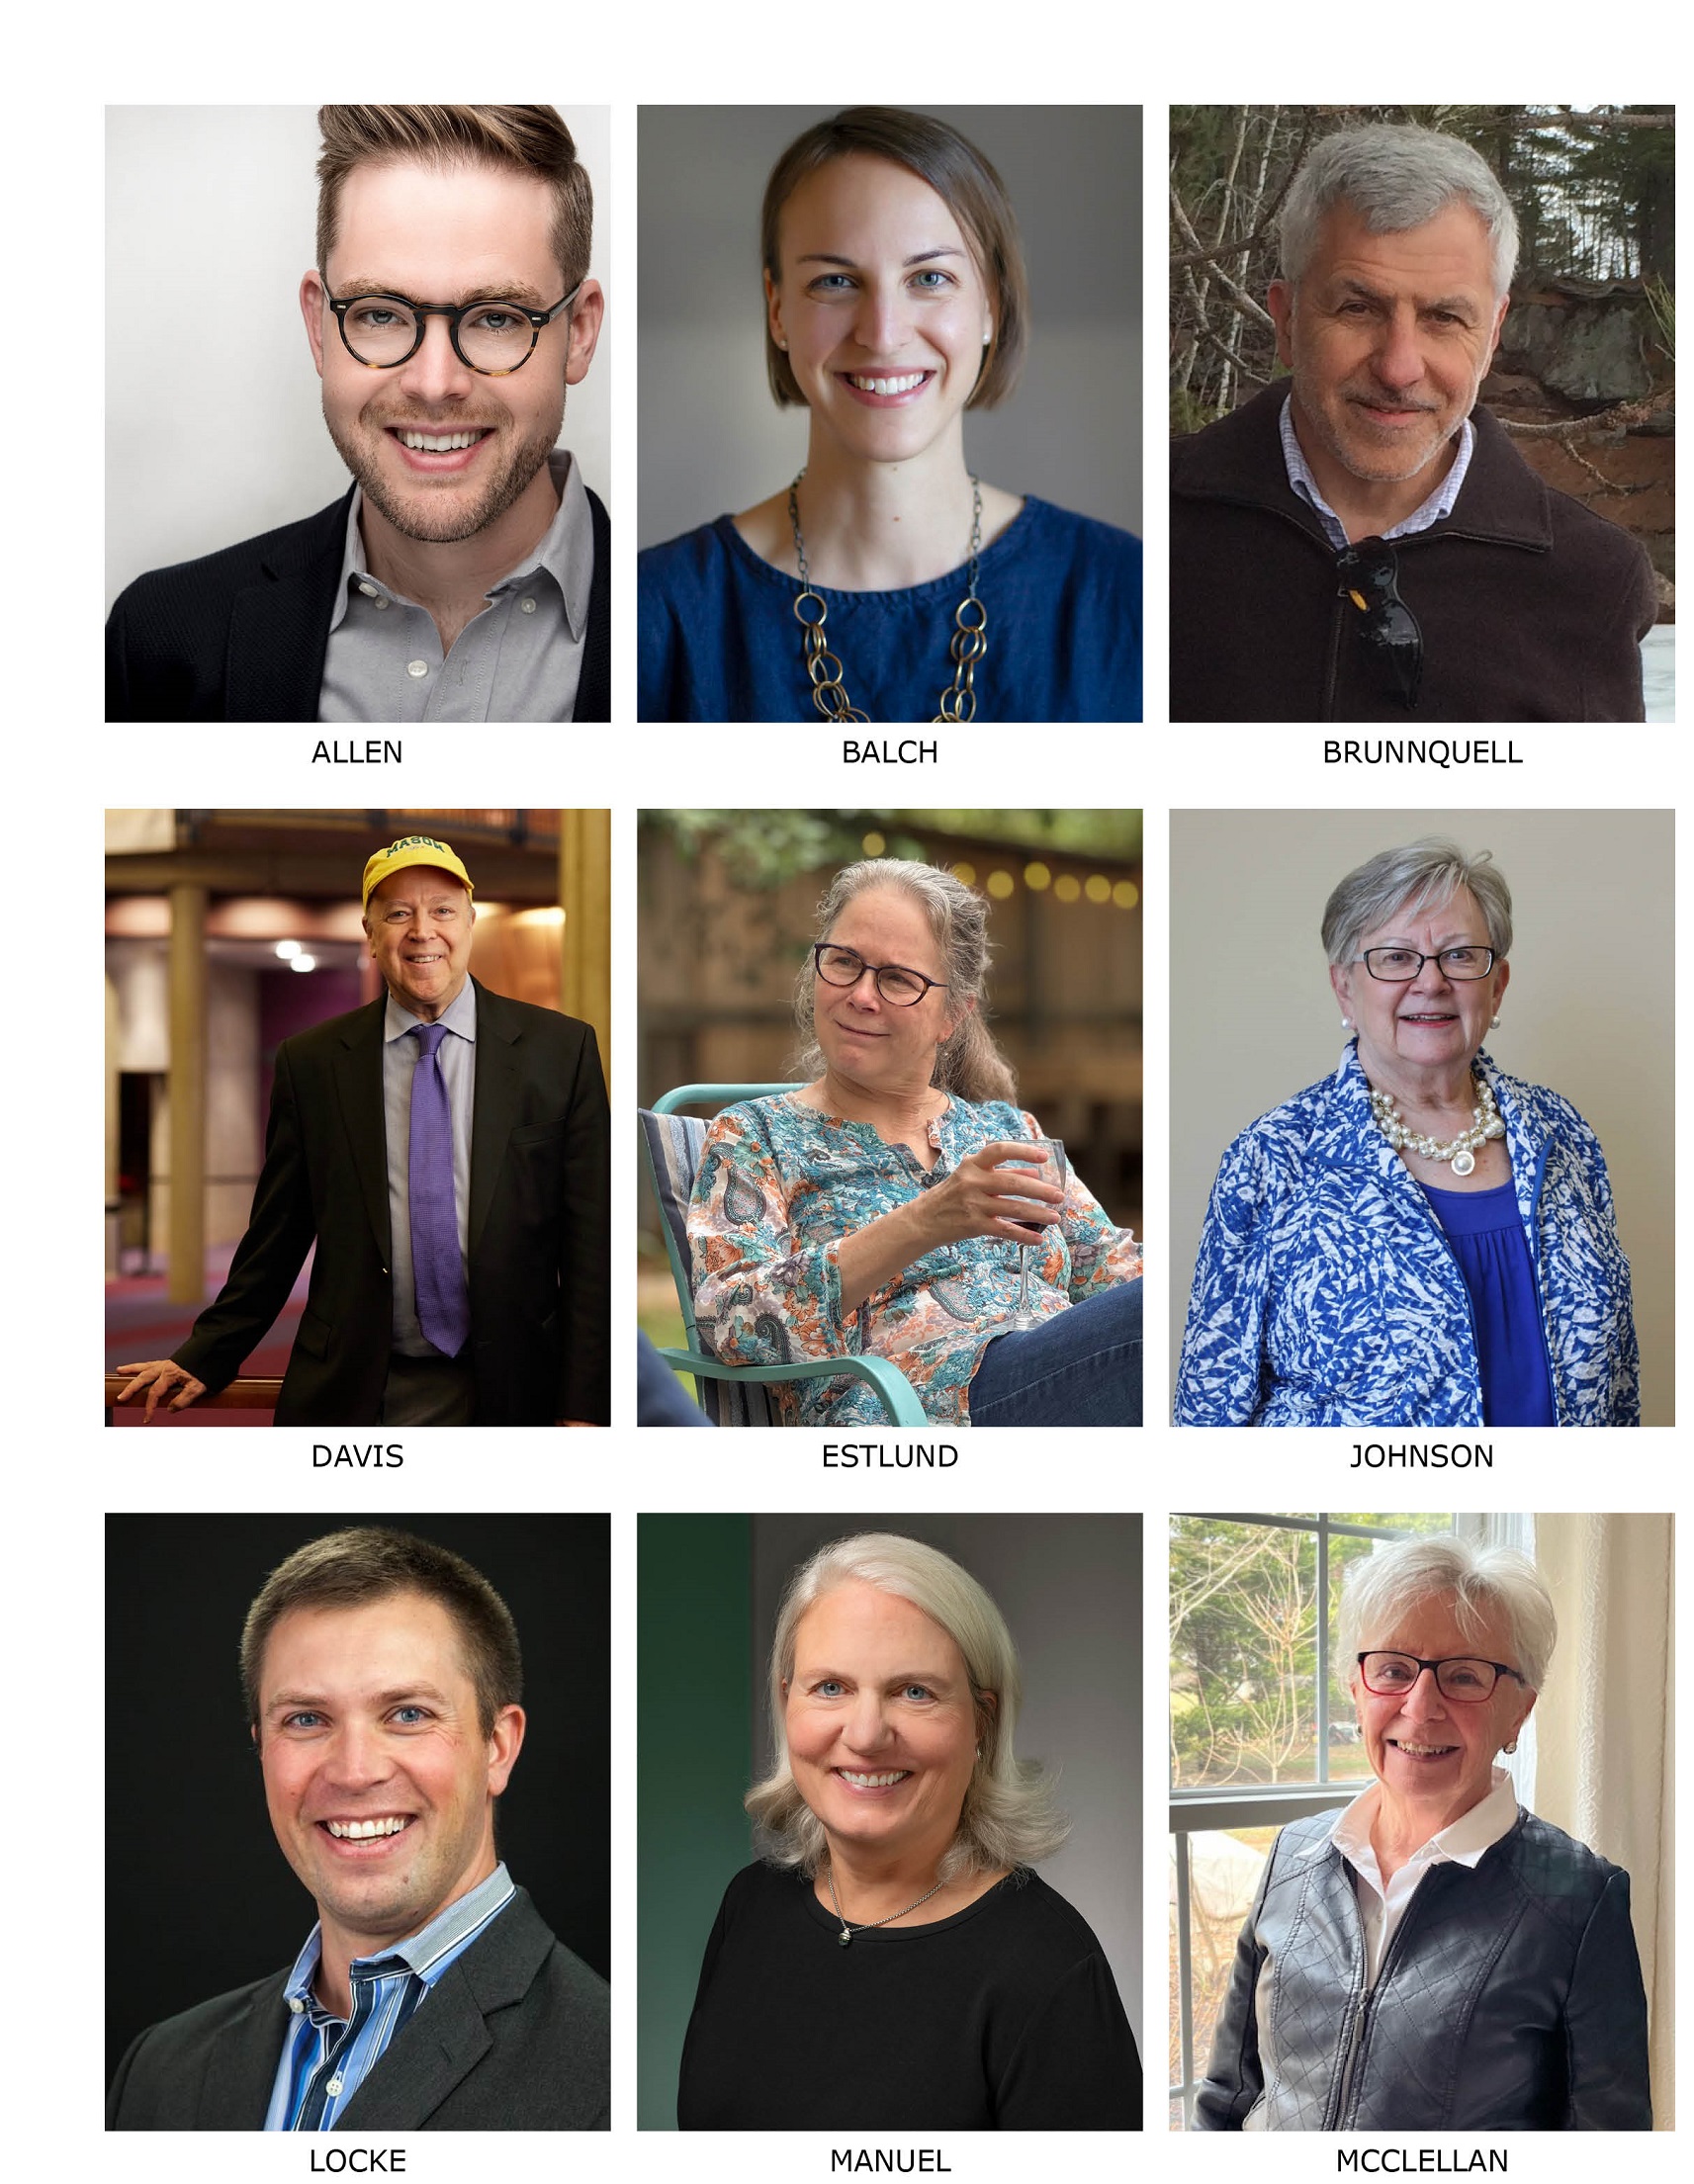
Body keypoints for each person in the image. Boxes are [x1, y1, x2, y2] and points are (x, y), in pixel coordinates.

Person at [107, 106, 610, 722]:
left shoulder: (675, 631)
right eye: (379, 314)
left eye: (498, 318)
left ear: (580, 333)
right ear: (320, 328)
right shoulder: (158, 644)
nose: (434, 384)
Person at [639, 107, 1140, 722]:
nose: (883, 334)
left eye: (929, 277)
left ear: (991, 306)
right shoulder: (652, 614)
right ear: (778, 312)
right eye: (834, 282)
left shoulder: (1128, 592)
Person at [108, 1527, 610, 2131]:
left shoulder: (606, 2075)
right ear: (262, 1750)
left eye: (407, 1714)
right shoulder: (160, 2072)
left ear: (498, 1747)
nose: (354, 1771)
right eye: (306, 1719)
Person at [114, 832, 608, 1427]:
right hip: (358, 1385)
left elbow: (591, 1245)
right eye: (398, 913)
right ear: (370, 935)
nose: (422, 930)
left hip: (515, 1384)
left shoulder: (561, 1050)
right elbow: (277, 1233)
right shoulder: (314, 1062)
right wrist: (206, 1353)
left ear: (470, 924)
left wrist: (584, 1404)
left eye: (443, 910)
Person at [1169, 123, 1656, 721]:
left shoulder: (1593, 582)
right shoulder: (1138, 528)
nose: (1399, 368)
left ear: (1493, 334)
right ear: (1287, 319)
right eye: (1358, 307)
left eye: (1445, 318)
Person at [678, 1532, 1140, 2130]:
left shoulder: (1048, 1970)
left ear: (983, 1722)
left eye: (914, 1692)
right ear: (786, 1700)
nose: (867, 1735)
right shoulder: (749, 1904)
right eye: (831, 1688)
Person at [1175, 839, 1638, 1427]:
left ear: (1497, 986)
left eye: (1460, 956)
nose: (1431, 982)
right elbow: (1208, 1413)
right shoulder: (1273, 1156)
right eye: (1395, 958)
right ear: (1345, 987)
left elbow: (1618, 1385)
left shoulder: (1565, 1134)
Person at [1196, 1536, 1650, 2130]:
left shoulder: (1581, 1900)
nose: (1421, 1706)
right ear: (1357, 1690)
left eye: (1464, 1677)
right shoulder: (1294, 1855)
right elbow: (1229, 2094)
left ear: (1519, 1712)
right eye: (1392, 1670)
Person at [687, 857, 1142, 1426]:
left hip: (1059, 1388)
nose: (861, 994)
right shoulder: (757, 1135)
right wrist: (926, 1220)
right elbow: (730, 1323)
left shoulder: (1007, 1132)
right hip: (909, 1419)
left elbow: (1116, 1273)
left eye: (897, 979)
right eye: (844, 963)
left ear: (952, 1015)